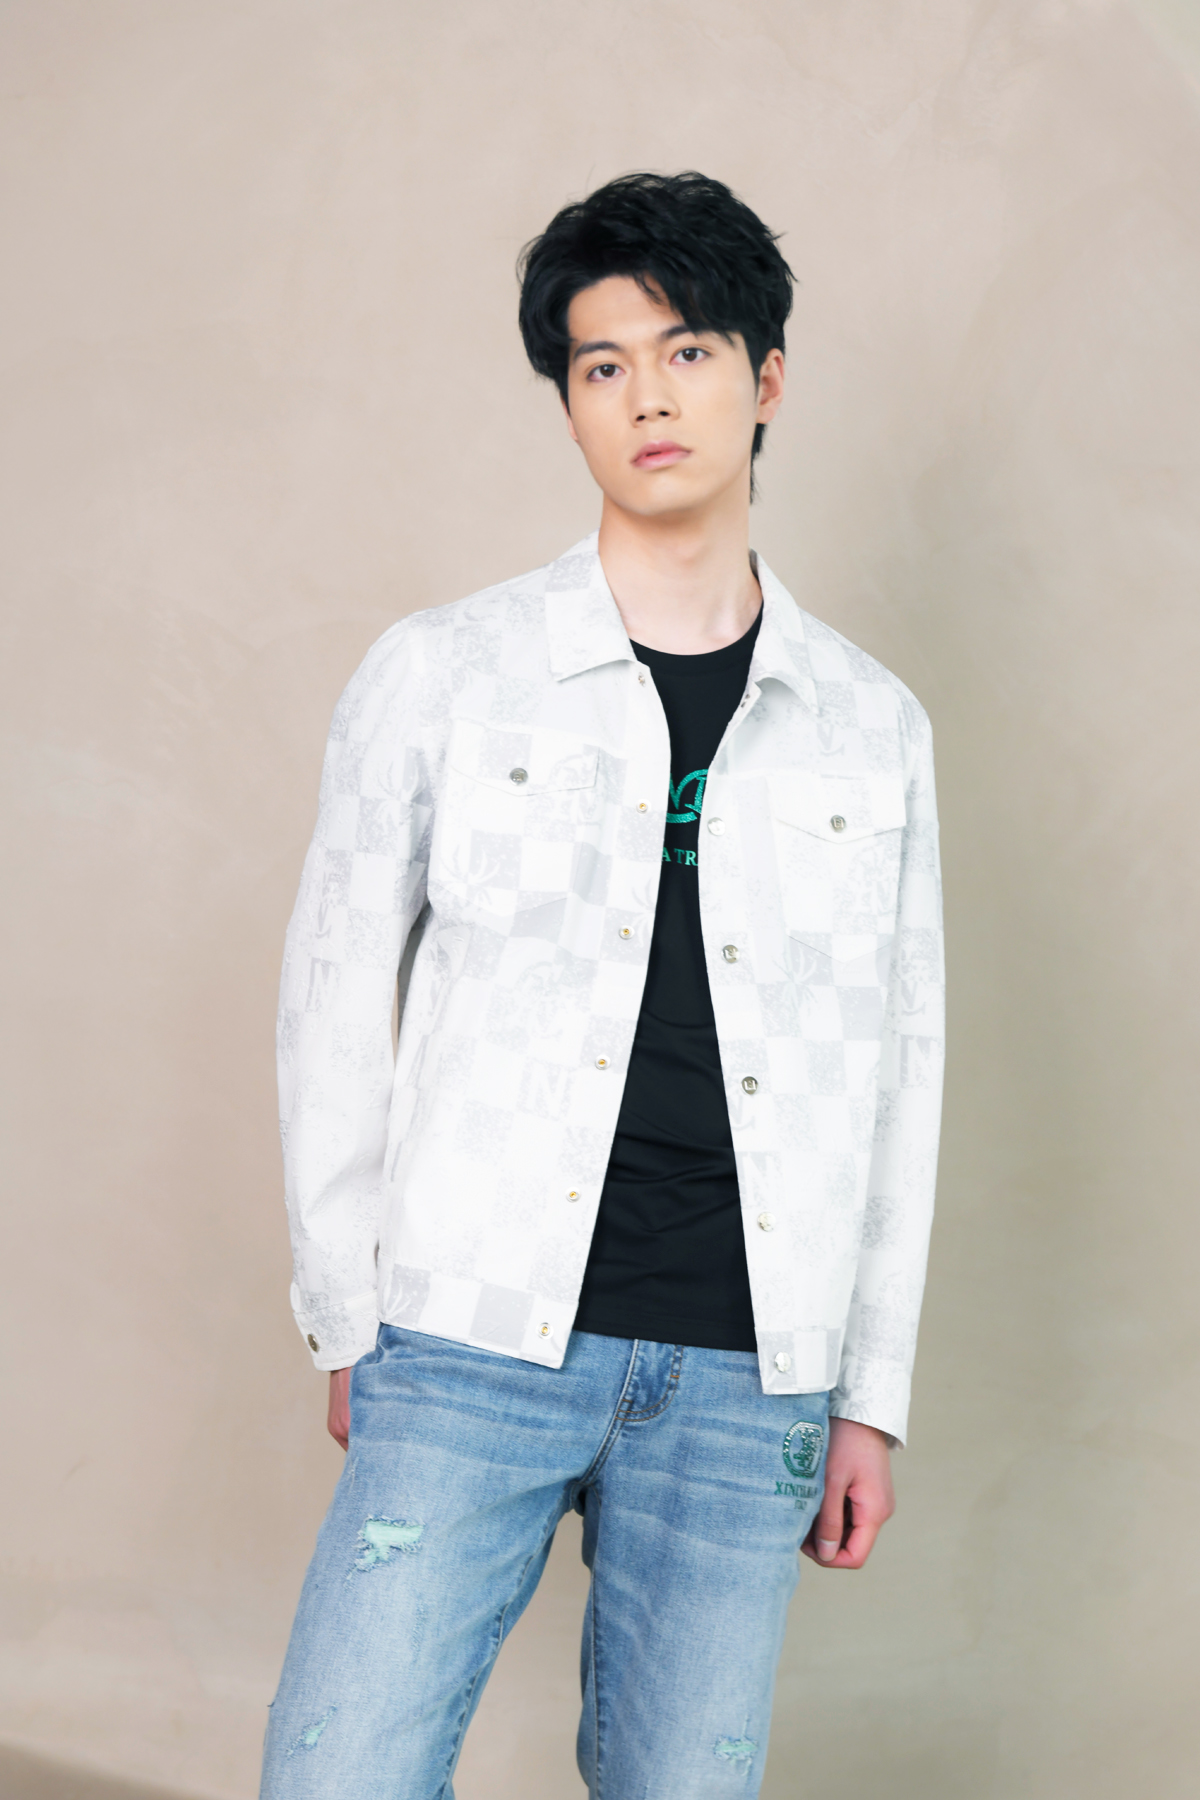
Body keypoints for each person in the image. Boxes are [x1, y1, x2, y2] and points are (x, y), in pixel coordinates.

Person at [261, 170, 944, 1799]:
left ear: (766, 381)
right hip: (472, 1332)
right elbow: (330, 999)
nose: (647, 396)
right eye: (601, 363)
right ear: (567, 399)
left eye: (688, 351)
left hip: (751, 1372)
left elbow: (903, 1071)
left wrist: (871, 1394)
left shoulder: (872, 724)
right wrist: (346, 1308)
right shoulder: (447, 673)